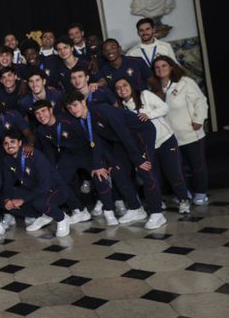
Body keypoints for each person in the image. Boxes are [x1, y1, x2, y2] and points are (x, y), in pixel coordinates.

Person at [63, 91, 164, 228]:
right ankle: (136, 209)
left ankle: (157, 212)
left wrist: (137, 159)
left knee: (145, 170)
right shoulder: (85, 119)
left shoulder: (102, 110)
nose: (73, 110)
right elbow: (98, 142)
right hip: (121, 142)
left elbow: (124, 133)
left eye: (75, 105)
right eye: (69, 108)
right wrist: (98, 164)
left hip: (140, 135)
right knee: (117, 171)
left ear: (83, 102)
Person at [32, 100, 119, 226]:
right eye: (37, 113)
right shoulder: (41, 130)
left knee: (100, 175)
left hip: (87, 152)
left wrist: (97, 163)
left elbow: (93, 140)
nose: (41, 116)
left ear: (51, 110)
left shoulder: (68, 121)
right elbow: (49, 152)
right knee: (58, 180)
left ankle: (109, 211)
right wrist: (52, 170)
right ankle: (79, 211)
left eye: (43, 111)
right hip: (69, 155)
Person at [114, 77, 190, 213]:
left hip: (165, 140)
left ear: (131, 85)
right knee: (153, 178)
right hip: (147, 148)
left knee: (174, 173)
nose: (122, 89)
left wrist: (148, 114)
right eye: (118, 88)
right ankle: (158, 202)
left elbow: (165, 107)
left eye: (124, 85)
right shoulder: (120, 109)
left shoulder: (145, 95)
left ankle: (183, 199)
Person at [153, 55, 210, 205]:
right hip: (169, 138)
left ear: (171, 67)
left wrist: (199, 120)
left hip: (190, 133)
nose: (160, 69)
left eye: (164, 65)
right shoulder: (154, 88)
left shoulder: (185, 82)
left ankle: (201, 193)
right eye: (157, 67)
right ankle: (184, 194)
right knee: (177, 169)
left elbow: (201, 101)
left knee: (197, 165)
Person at [1, 132, 71, 237]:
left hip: (54, 189)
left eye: (12, 141)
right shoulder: (7, 160)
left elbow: (45, 185)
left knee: (40, 203)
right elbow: (7, 183)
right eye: (6, 143)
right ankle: (44, 215)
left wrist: (23, 200)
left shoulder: (33, 155)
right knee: (4, 200)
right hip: (34, 190)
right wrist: (7, 199)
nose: (9, 145)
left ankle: (62, 218)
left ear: (20, 143)